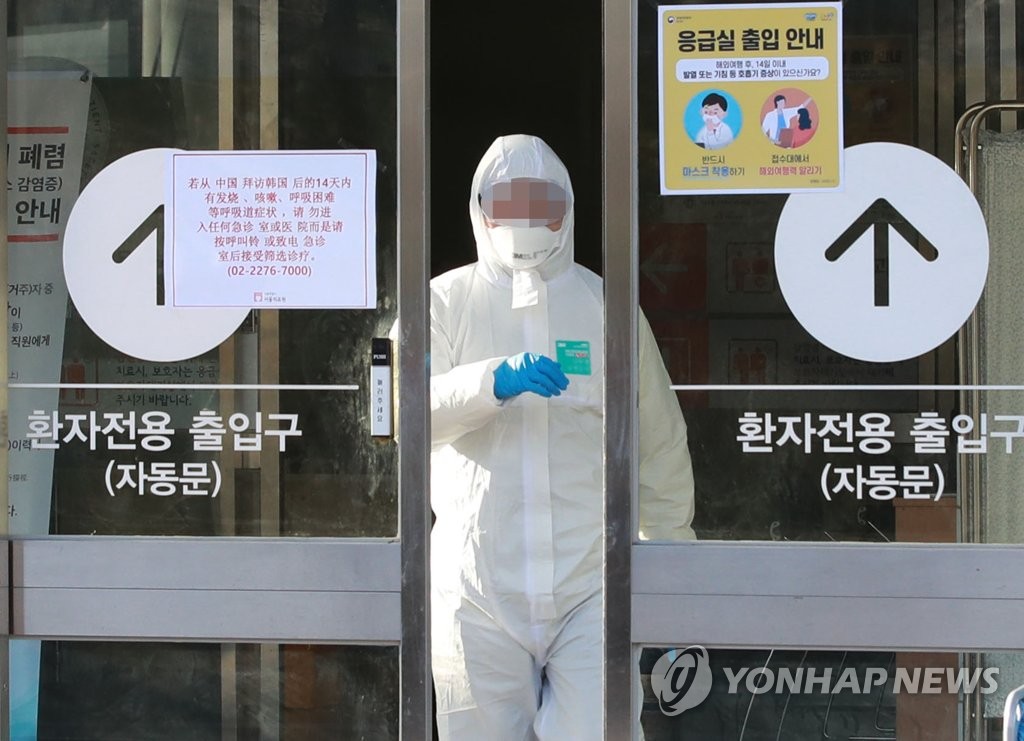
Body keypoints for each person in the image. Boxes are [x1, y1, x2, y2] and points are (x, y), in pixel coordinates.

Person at [429, 134, 695, 739]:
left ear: (568, 208)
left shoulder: (607, 306)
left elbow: (657, 442)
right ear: (478, 208)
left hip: (590, 583)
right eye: (507, 203)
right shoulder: (441, 303)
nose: (523, 219)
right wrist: (490, 382)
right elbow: (401, 417)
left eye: (540, 203)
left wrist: (671, 564)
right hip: (477, 588)